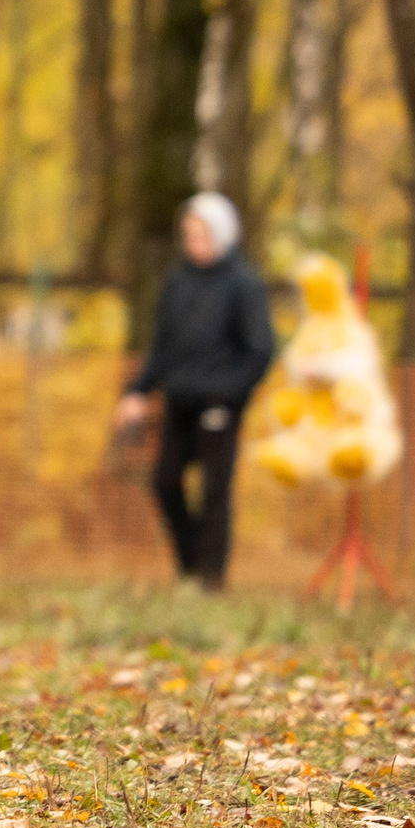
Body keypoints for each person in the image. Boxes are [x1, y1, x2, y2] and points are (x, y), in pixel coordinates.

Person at [116, 193, 276, 589]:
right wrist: (138, 391)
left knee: (214, 493)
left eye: (201, 235)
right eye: (188, 234)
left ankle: (211, 579)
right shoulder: (178, 282)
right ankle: (189, 567)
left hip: (220, 406)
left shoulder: (243, 284)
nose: (193, 243)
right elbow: (163, 348)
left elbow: (260, 349)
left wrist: (229, 392)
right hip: (179, 402)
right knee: (165, 481)